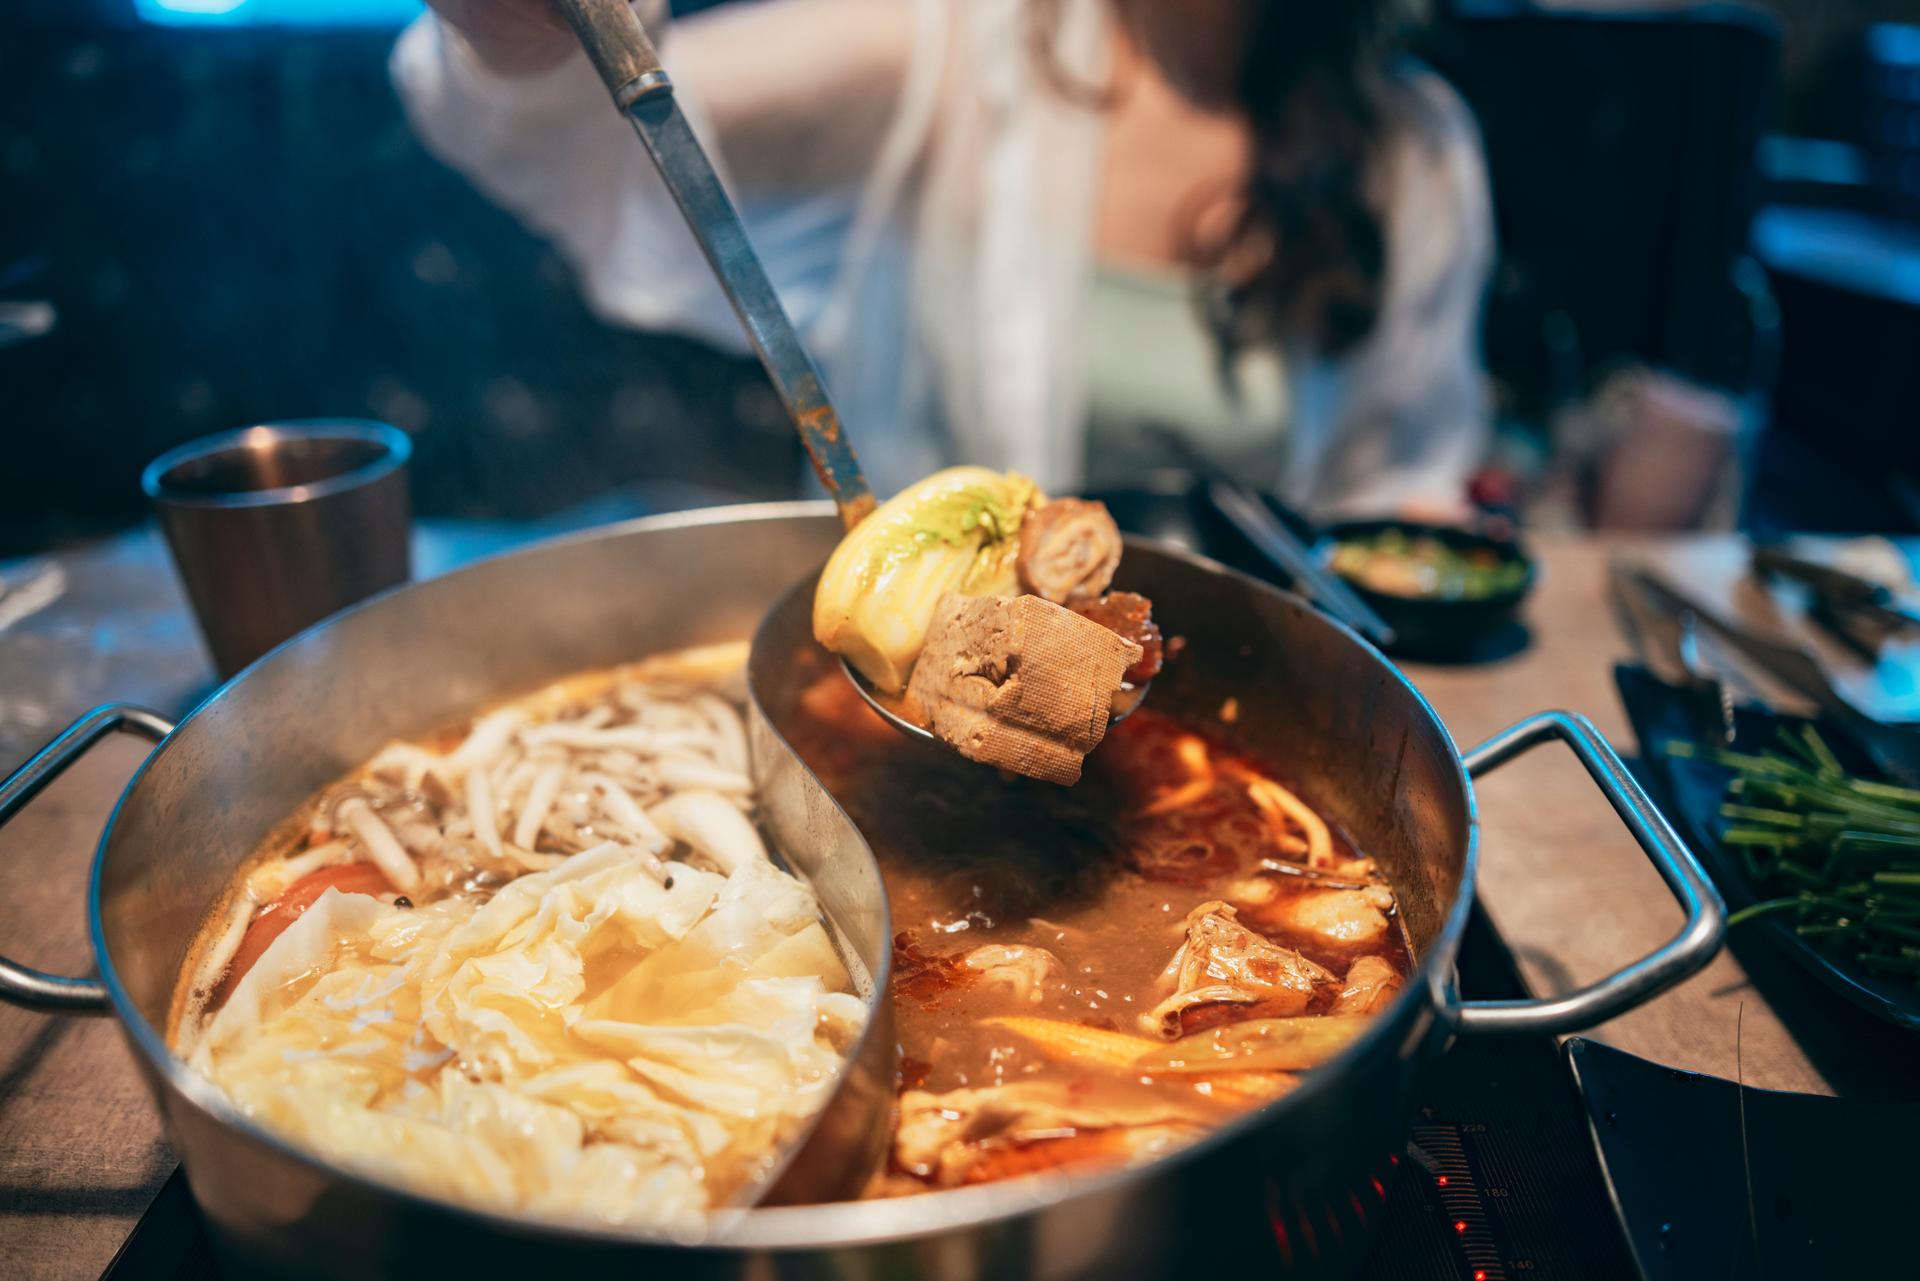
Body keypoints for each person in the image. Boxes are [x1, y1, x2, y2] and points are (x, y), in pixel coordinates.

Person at [393, 0, 1493, 517]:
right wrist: (523, 33)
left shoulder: (1411, 153)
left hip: (1239, 738)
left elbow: (1399, 484)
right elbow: (584, 128)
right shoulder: (954, 47)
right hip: (912, 712)